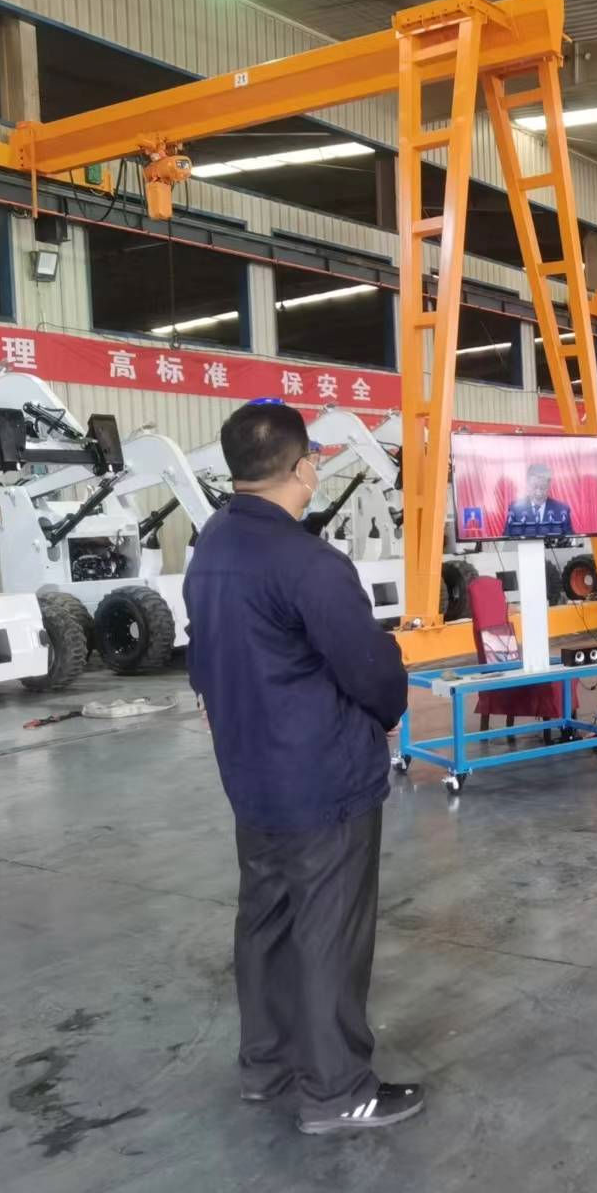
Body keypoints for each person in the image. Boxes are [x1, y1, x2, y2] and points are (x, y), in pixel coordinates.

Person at [183, 401, 425, 1135]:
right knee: (328, 931)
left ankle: (267, 1066)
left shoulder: (210, 546)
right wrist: (390, 710)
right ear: (303, 468)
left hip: (250, 772)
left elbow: (203, 652)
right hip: (322, 778)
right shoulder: (309, 563)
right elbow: (369, 668)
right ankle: (337, 1090)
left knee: (266, 920)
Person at [505, 463, 572, 536]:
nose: (538, 492)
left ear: (549, 485)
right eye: (535, 487)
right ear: (527, 484)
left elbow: (571, 539)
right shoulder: (515, 510)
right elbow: (506, 539)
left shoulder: (562, 511)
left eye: (543, 487)